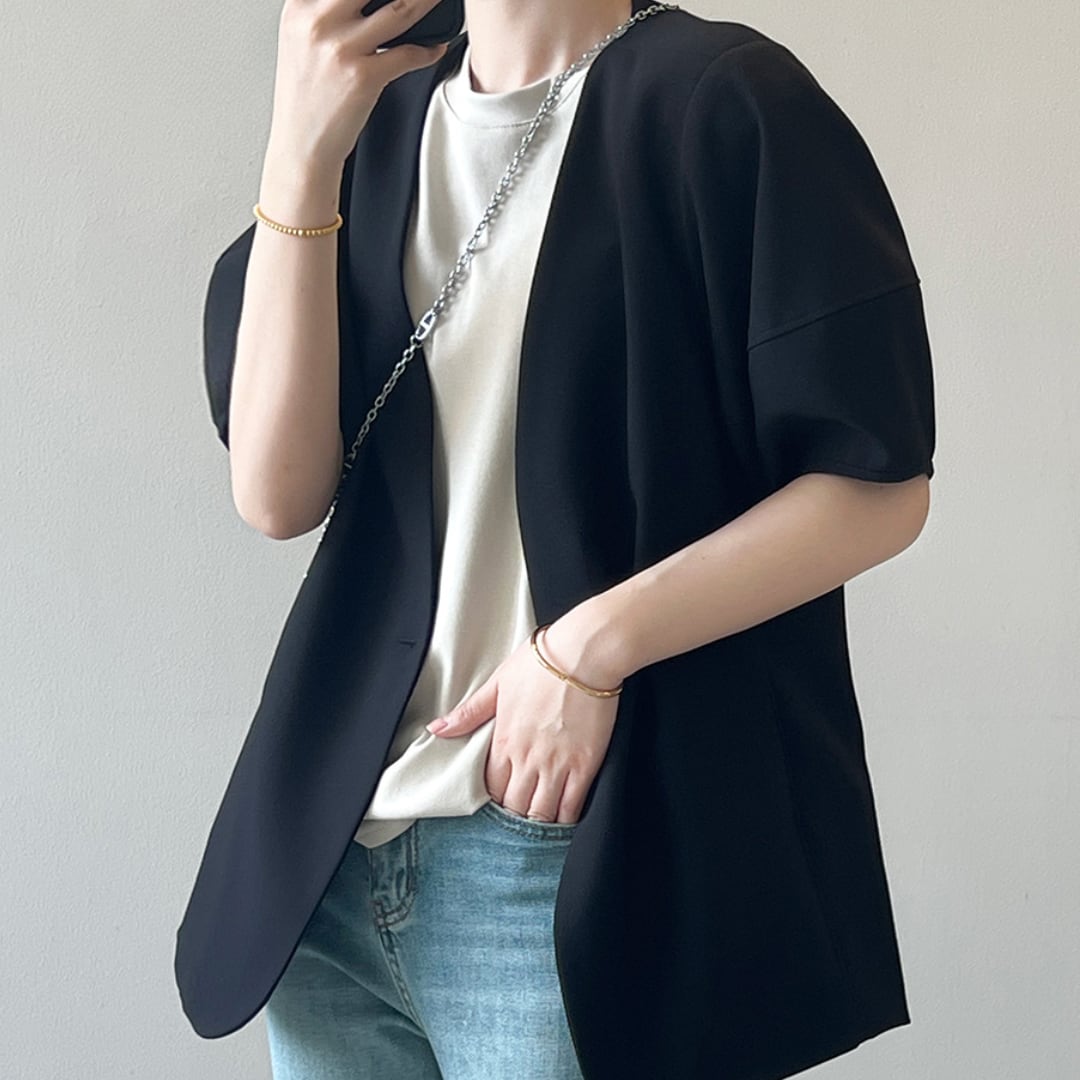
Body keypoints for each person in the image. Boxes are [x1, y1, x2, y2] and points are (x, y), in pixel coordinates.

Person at [175, 0, 937, 1077]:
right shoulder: (372, 127)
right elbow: (277, 494)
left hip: (565, 850)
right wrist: (300, 151)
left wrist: (588, 648)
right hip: (333, 870)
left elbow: (879, 485)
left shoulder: (723, 99)